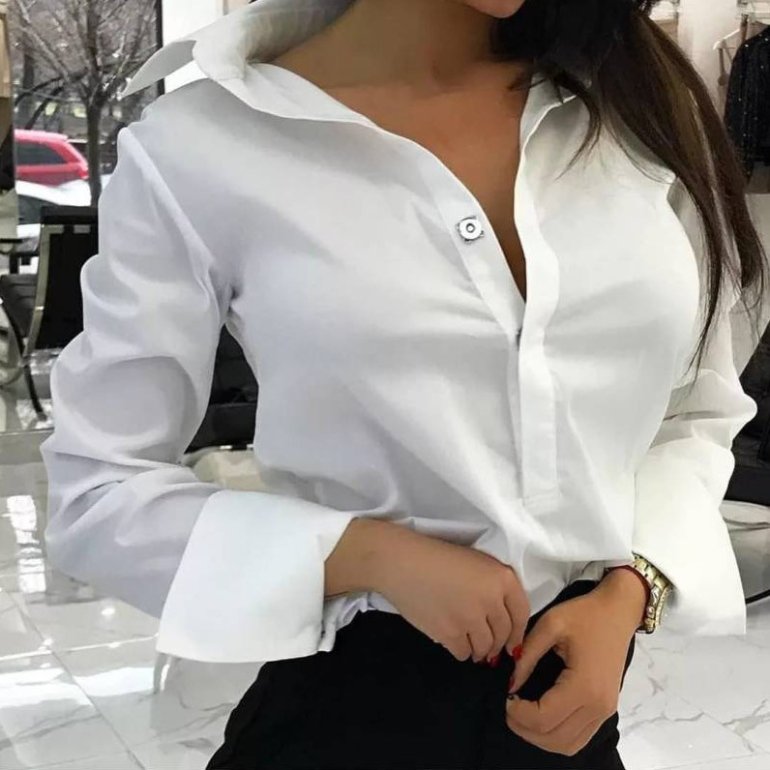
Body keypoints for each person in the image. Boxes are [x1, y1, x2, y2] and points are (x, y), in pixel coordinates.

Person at [40, 0, 767, 768]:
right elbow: (98, 491)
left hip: (573, 721)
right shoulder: (201, 146)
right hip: (343, 722)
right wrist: (365, 554)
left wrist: (631, 588)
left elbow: (695, 409)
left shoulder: (637, 113)